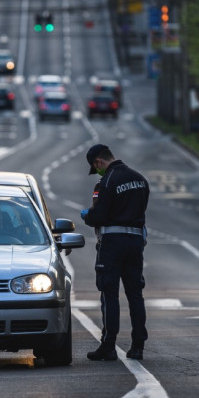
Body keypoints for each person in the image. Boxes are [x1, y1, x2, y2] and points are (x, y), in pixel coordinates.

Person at [80, 144, 150, 361]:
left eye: (96, 167)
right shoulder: (140, 179)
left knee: (109, 293)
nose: (97, 171)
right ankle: (138, 345)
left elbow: (99, 216)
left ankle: (108, 345)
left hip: (112, 244)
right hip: (136, 242)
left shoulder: (106, 182)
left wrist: (87, 215)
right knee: (135, 294)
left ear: (99, 162)